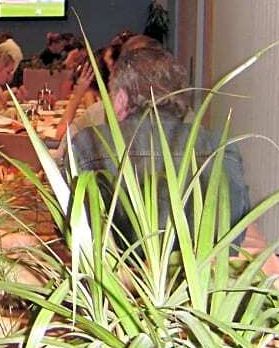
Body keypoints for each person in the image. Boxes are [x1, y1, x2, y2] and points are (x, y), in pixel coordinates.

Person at [68, 46, 251, 243]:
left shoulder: (88, 145)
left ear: (120, 99)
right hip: (203, 263)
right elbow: (234, 232)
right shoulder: (221, 147)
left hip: (112, 263)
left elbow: (71, 226)